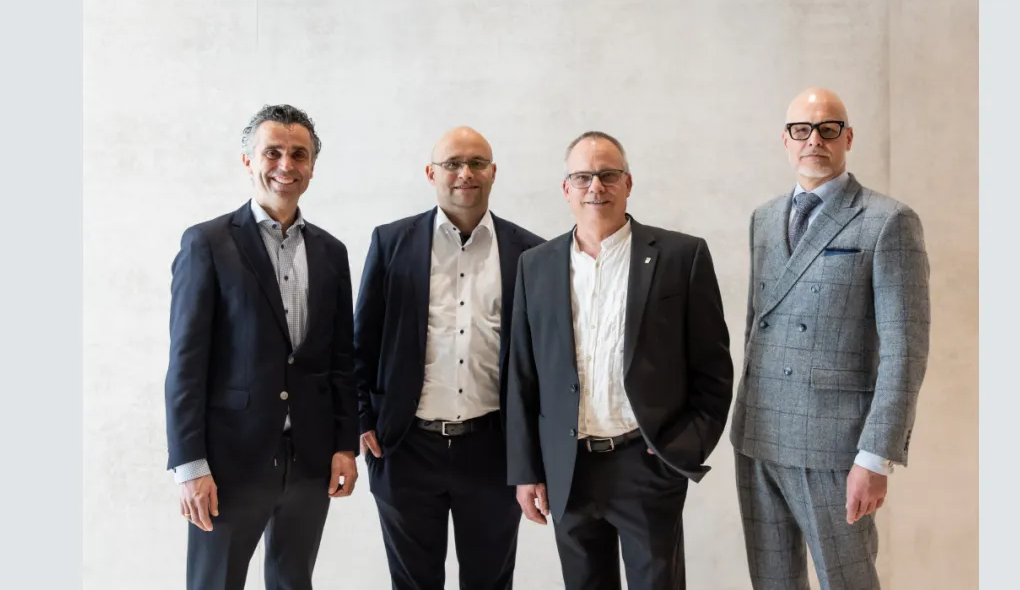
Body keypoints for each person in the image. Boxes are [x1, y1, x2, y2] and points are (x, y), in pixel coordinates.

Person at [505, 131, 734, 589]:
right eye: (583, 177)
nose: (596, 186)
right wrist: (526, 471)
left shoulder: (681, 257)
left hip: (645, 464)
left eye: (608, 175)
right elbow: (522, 375)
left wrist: (681, 449)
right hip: (568, 468)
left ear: (628, 183)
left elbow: (713, 369)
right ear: (566, 188)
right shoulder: (536, 265)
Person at [730, 88, 931, 590]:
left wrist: (875, 455)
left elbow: (905, 350)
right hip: (757, 432)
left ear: (848, 138)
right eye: (802, 129)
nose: (814, 140)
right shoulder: (764, 218)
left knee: (848, 582)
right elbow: (756, 326)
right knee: (771, 581)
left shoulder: (888, 220)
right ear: (785, 139)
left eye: (828, 129)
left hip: (836, 445)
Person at [163, 104, 359, 590]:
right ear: (248, 160)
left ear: (312, 166)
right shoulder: (207, 244)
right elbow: (186, 366)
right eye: (273, 152)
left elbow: (340, 359)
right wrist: (189, 466)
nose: (286, 165)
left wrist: (344, 444)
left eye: (299, 154)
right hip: (228, 463)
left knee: (294, 582)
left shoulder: (331, 252)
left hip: (309, 461)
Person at [352, 126, 545, 590]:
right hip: (405, 448)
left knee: (490, 582)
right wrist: (360, 419)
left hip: (494, 450)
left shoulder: (530, 252)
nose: (465, 173)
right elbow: (362, 342)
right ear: (431, 173)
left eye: (477, 163)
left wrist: (534, 455)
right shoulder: (391, 243)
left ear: (493, 172)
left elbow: (542, 362)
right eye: (453, 164)